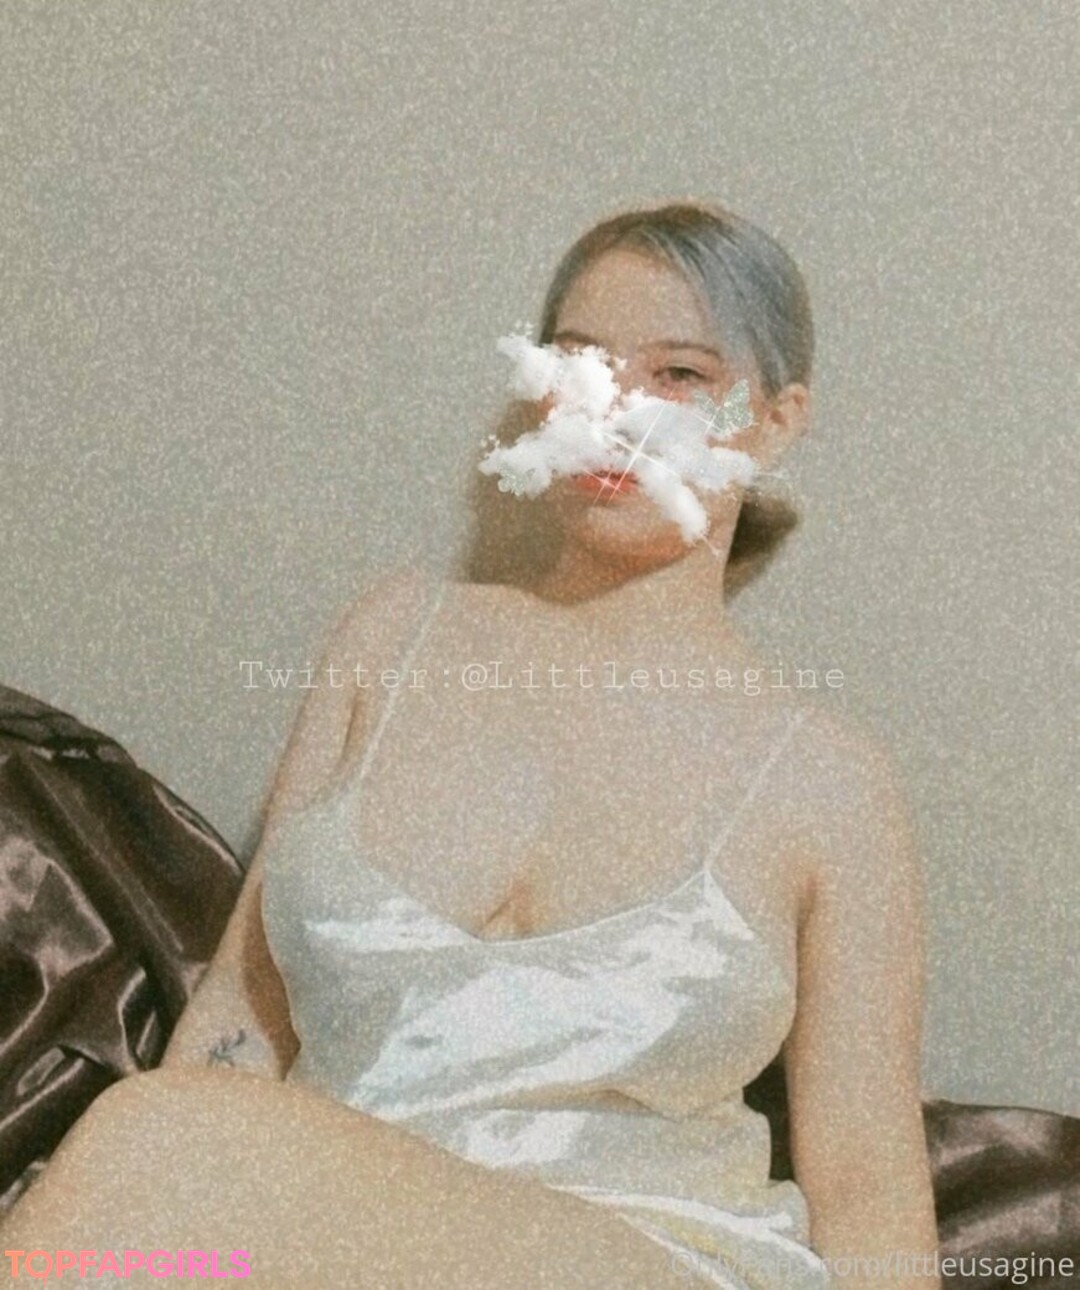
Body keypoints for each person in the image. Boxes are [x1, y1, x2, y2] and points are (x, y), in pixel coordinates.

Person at [0, 202, 941, 1288]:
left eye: (679, 375)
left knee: (159, 1134)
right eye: (579, 364)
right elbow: (242, 1022)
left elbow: (868, 1182)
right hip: (328, 1250)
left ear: (773, 422)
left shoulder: (830, 783)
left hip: (653, 1257)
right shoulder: (390, 642)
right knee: (153, 1157)